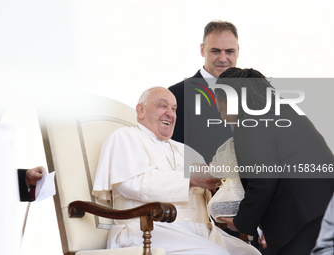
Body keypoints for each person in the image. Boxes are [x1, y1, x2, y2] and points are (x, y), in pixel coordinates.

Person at [92, 87, 260, 255]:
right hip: (148, 230)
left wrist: (218, 181)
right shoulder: (125, 137)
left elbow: (209, 196)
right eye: (163, 106)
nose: (170, 114)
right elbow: (131, 184)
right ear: (141, 110)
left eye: (173, 109)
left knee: (252, 253)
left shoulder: (186, 150)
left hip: (201, 232)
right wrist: (190, 179)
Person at [213, 67, 334, 255]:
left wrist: (241, 222)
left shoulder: (249, 124)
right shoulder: (287, 113)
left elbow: (263, 181)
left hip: (303, 219)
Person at [168, 20, 239, 164]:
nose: (223, 58)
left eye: (229, 51)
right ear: (202, 50)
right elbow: (173, 153)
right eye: (215, 51)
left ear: (238, 50)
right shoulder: (176, 95)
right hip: (204, 184)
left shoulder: (253, 91)